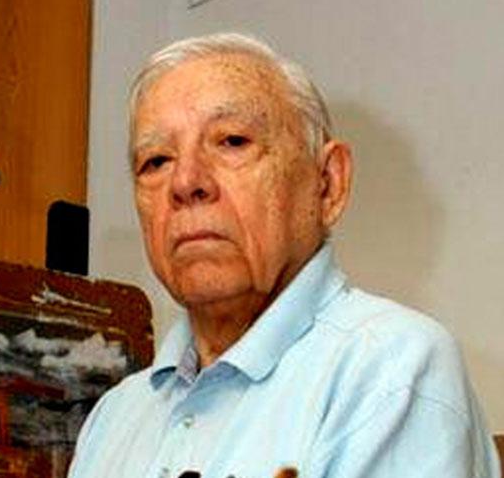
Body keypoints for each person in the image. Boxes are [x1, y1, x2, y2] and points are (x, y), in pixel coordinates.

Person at [68, 33, 500, 478]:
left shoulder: (391, 368)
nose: (186, 182)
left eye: (232, 141)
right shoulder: (112, 418)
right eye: (156, 161)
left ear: (327, 184)